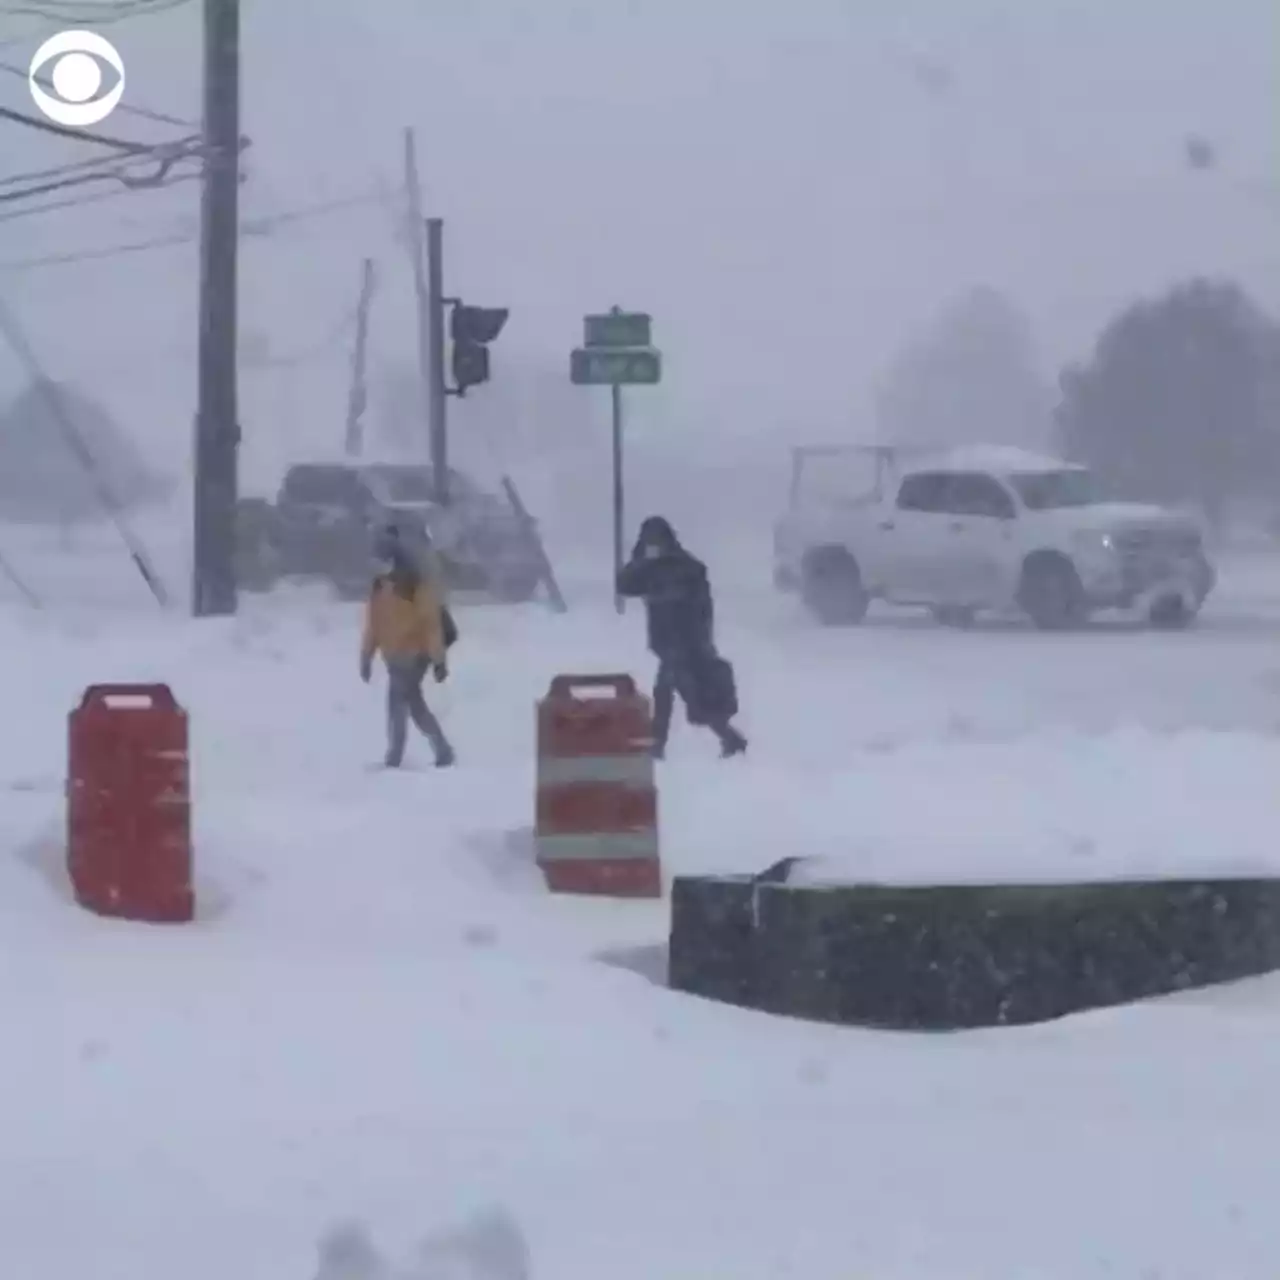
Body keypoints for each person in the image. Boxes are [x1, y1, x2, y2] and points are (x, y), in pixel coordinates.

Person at [616, 515, 748, 760]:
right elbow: (624, 585)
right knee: (687, 696)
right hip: (666, 642)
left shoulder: (688, 567)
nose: (653, 547)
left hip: (687, 641)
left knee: (668, 691)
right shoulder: (649, 568)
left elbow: (702, 607)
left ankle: (659, 745)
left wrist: (702, 639)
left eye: (656, 542)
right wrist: (639, 560)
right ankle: (730, 738)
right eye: (648, 542)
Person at [359, 522, 456, 769]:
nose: (377, 566)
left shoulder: (414, 584)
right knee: (413, 703)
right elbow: (374, 625)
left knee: (397, 701)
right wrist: (366, 657)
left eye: (381, 561)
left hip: (415, 654)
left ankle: (394, 756)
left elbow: (430, 624)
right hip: (394, 657)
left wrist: (438, 659)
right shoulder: (379, 587)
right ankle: (442, 749)